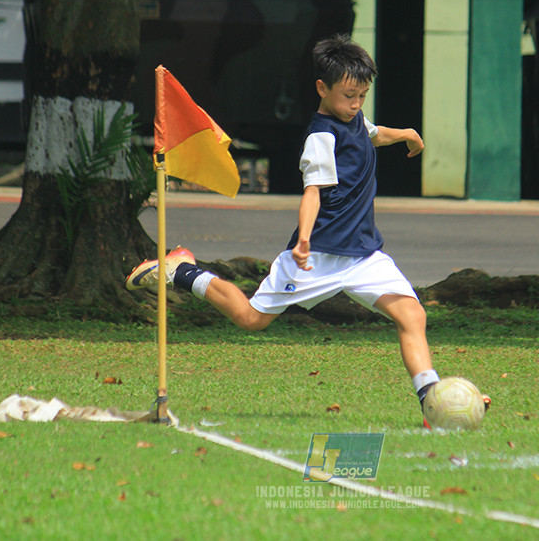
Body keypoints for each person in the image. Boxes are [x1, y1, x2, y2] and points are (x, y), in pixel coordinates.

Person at [126, 34, 445, 423]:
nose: (356, 104)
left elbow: (372, 134)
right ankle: (182, 270)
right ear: (321, 89)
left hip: (364, 255)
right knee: (250, 318)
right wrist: (305, 239)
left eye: (362, 95)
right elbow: (312, 193)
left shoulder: (354, 119)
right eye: (349, 96)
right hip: (319, 255)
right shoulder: (320, 138)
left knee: (412, 316)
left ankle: (433, 403)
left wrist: (406, 135)